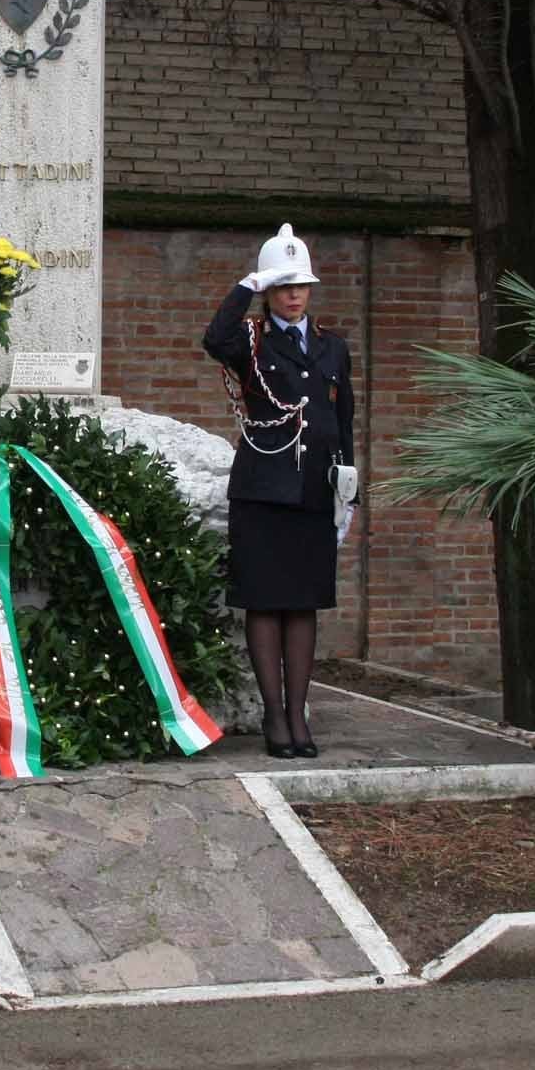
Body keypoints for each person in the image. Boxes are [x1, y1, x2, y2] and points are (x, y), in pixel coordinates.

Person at [202, 224, 355, 758]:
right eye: (283, 285)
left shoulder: (333, 346)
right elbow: (213, 339)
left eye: (301, 285)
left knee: (304, 605)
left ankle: (298, 715)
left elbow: (344, 420)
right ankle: (273, 716)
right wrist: (247, 283)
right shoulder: (250, 339)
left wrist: (348, 492)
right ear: (270, 290)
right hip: (264, 489)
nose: (294, 294)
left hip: (315, 491)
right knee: (266, 604)